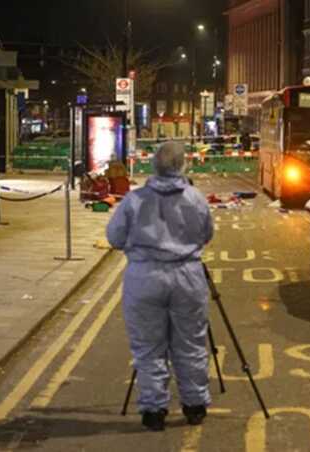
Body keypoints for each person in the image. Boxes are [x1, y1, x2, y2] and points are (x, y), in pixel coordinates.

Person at [106, 141, 214, 432]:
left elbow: (114, 237)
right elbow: (207, 234)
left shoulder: (135, 199)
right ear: (183, 165)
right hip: (187, 276)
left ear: (153, 164)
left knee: (148, 347)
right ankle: (194, 406)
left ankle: (154, 410)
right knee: (190, 343)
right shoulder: (196, 198)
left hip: (144, 277)